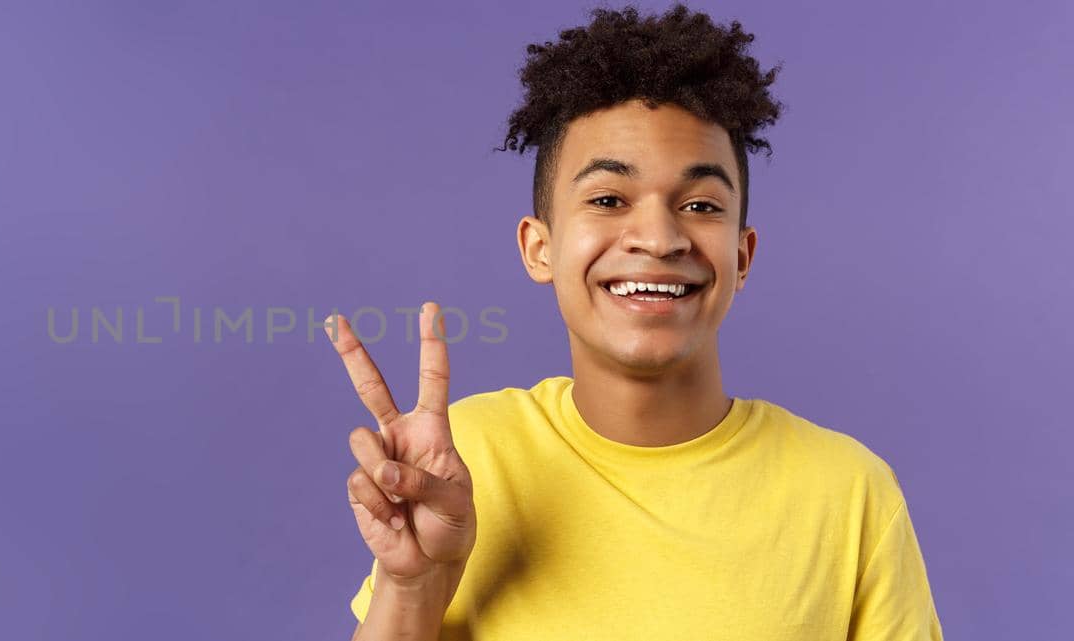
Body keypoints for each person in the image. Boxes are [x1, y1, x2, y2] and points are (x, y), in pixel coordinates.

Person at [329, 4, 944, 640]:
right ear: (539, 247)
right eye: (607, 200)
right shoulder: (464, 459)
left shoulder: (848, 490)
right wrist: (413, 586)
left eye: (701, 204)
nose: (657, 236)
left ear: (741, 256)